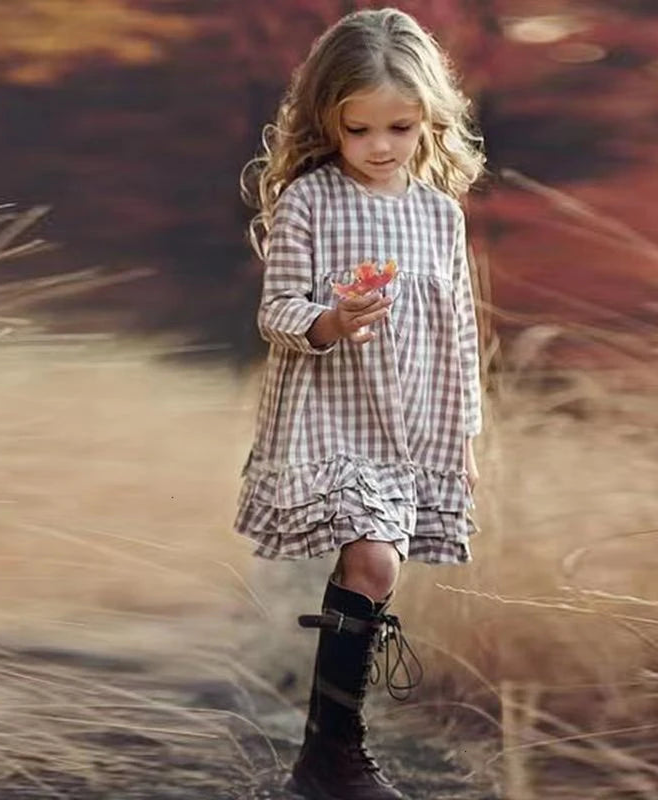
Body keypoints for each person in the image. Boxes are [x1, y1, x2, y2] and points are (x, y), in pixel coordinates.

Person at [235, 7, 488, 799]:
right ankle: (336, 755)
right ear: (328, 122)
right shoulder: (311, 200)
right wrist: (332, 319)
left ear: (429, 121)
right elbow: (275, 311)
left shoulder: (438, 214)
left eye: (400, 127)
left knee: (376, 573)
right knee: (373, 559)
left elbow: (461, 331)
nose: (380, 146)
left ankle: (324, 754)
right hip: (328, 412)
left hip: (412, 422)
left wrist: (465, 440)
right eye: (359, 129)